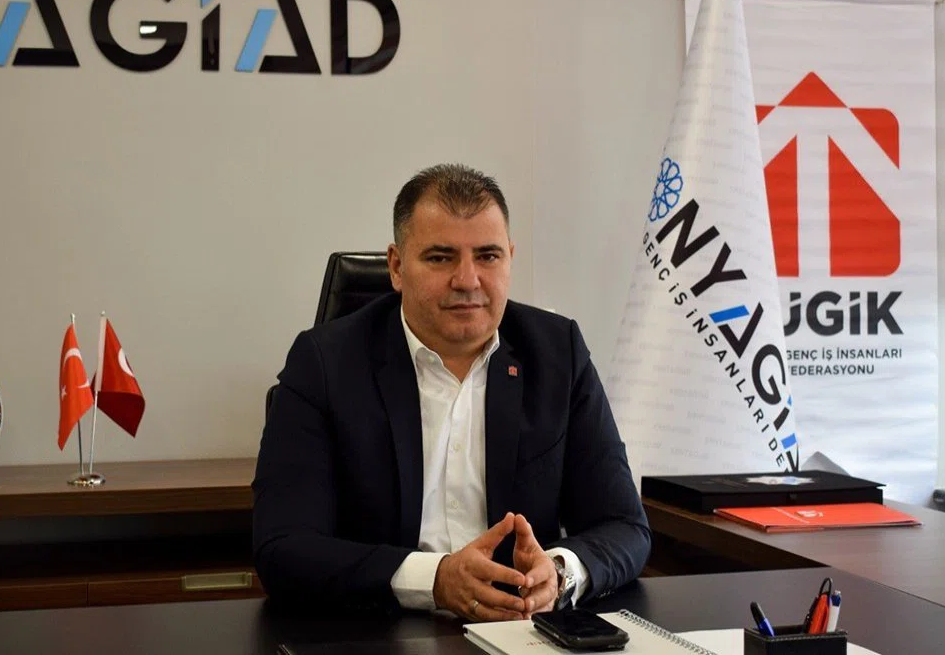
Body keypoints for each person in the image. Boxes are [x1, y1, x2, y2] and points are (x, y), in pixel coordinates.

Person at [253, 164, 649, 621]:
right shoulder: (325, 363)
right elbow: (283, 547)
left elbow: (624, 526)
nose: (467, 280)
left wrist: (559, 573)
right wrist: (435, 580)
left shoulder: (558, 353)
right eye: (441, 258)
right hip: (379, 628)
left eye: (488, 256)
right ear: (397, 267)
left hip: (519, 628)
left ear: (510, 258)